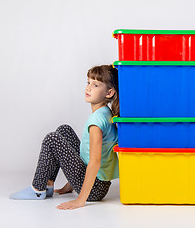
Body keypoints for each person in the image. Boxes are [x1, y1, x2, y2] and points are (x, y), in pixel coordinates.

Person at [10, 65, 119, 210]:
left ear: (109, 92)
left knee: (52, 139)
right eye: (88, 82)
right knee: (64, 130)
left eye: (96, 85)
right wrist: (70, 186)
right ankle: (48, 185)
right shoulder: (105, 112)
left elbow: (94, 163)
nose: (88, 88)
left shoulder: (96, 123)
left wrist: (80, 199)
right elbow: (86, 158)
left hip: (95, 189)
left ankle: (37, 189)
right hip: (98, 185)